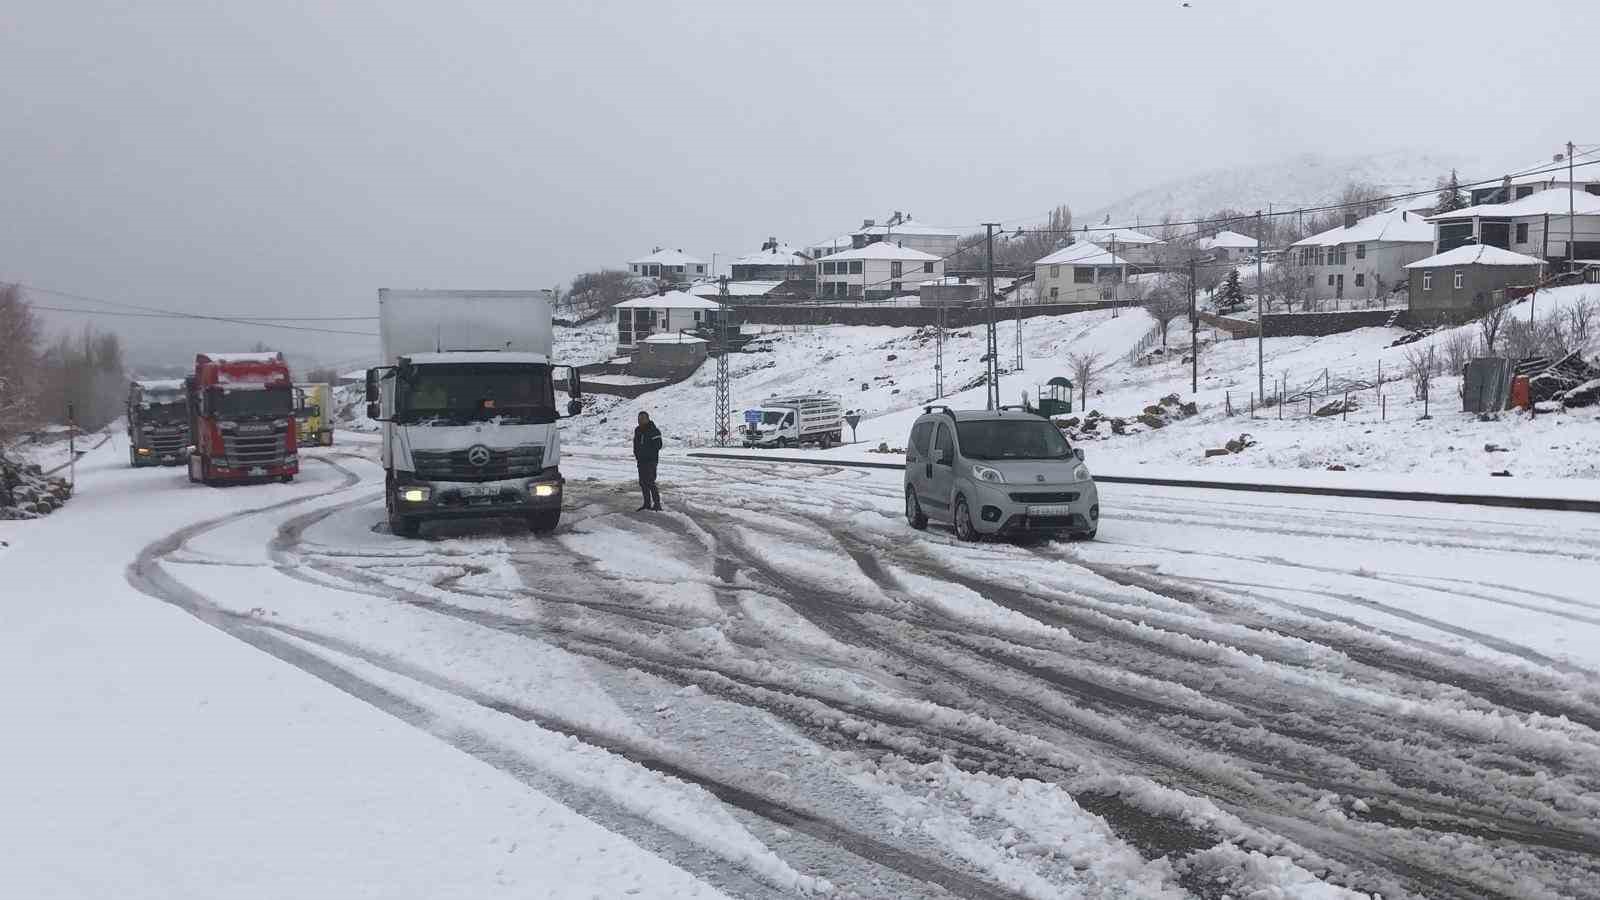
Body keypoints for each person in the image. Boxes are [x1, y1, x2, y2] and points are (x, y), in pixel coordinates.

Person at [632, 411, 663, 511]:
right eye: (639, 418)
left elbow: (658, 445)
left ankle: (657, 504)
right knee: (643, 482)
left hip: (651, 461)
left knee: (650, 482)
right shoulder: (638, 430)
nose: (640, 420)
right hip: (641, 461)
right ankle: (646, 504)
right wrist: (637, 455)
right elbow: (635, 445)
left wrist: (647, 453)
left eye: (642, 418)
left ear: (647, 419)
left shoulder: (654, 430)